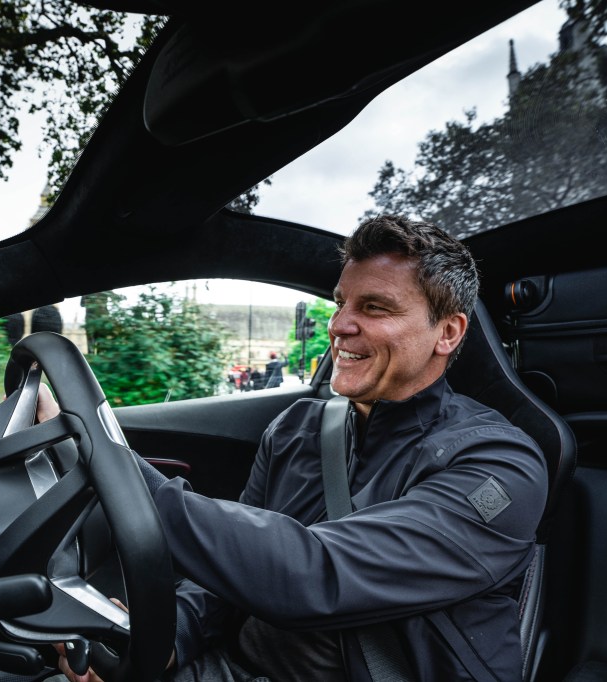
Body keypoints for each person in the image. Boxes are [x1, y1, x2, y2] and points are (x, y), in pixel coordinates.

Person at [54, 214, 548, 682]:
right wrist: (167, 640)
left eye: (374, 307)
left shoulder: (498, 466)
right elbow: (225, 576)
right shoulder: (298, 428)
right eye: (341, 303)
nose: (339, 325)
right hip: (238, 666)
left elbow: (315, 574)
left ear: (448, 332)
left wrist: (104, 462)